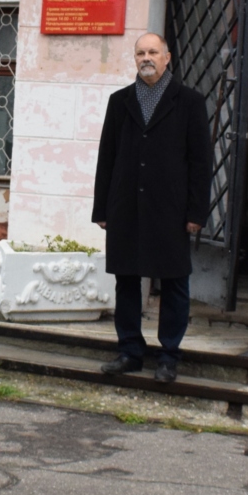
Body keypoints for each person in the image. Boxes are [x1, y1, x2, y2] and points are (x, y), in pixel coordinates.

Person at [92, 32, 212, 384]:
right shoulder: (120, 101)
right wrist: (102, 209)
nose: (147, 57)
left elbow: (200, 162)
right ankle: (129, 350)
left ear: (167, 57)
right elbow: (106, 158)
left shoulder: (189, 102)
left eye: (153, 52)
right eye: (141, 52)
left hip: (170, 208)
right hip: (126, 205)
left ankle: (168, 356)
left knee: (174, 281)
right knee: (126, 280)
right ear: (135, 58)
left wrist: (196, 213)